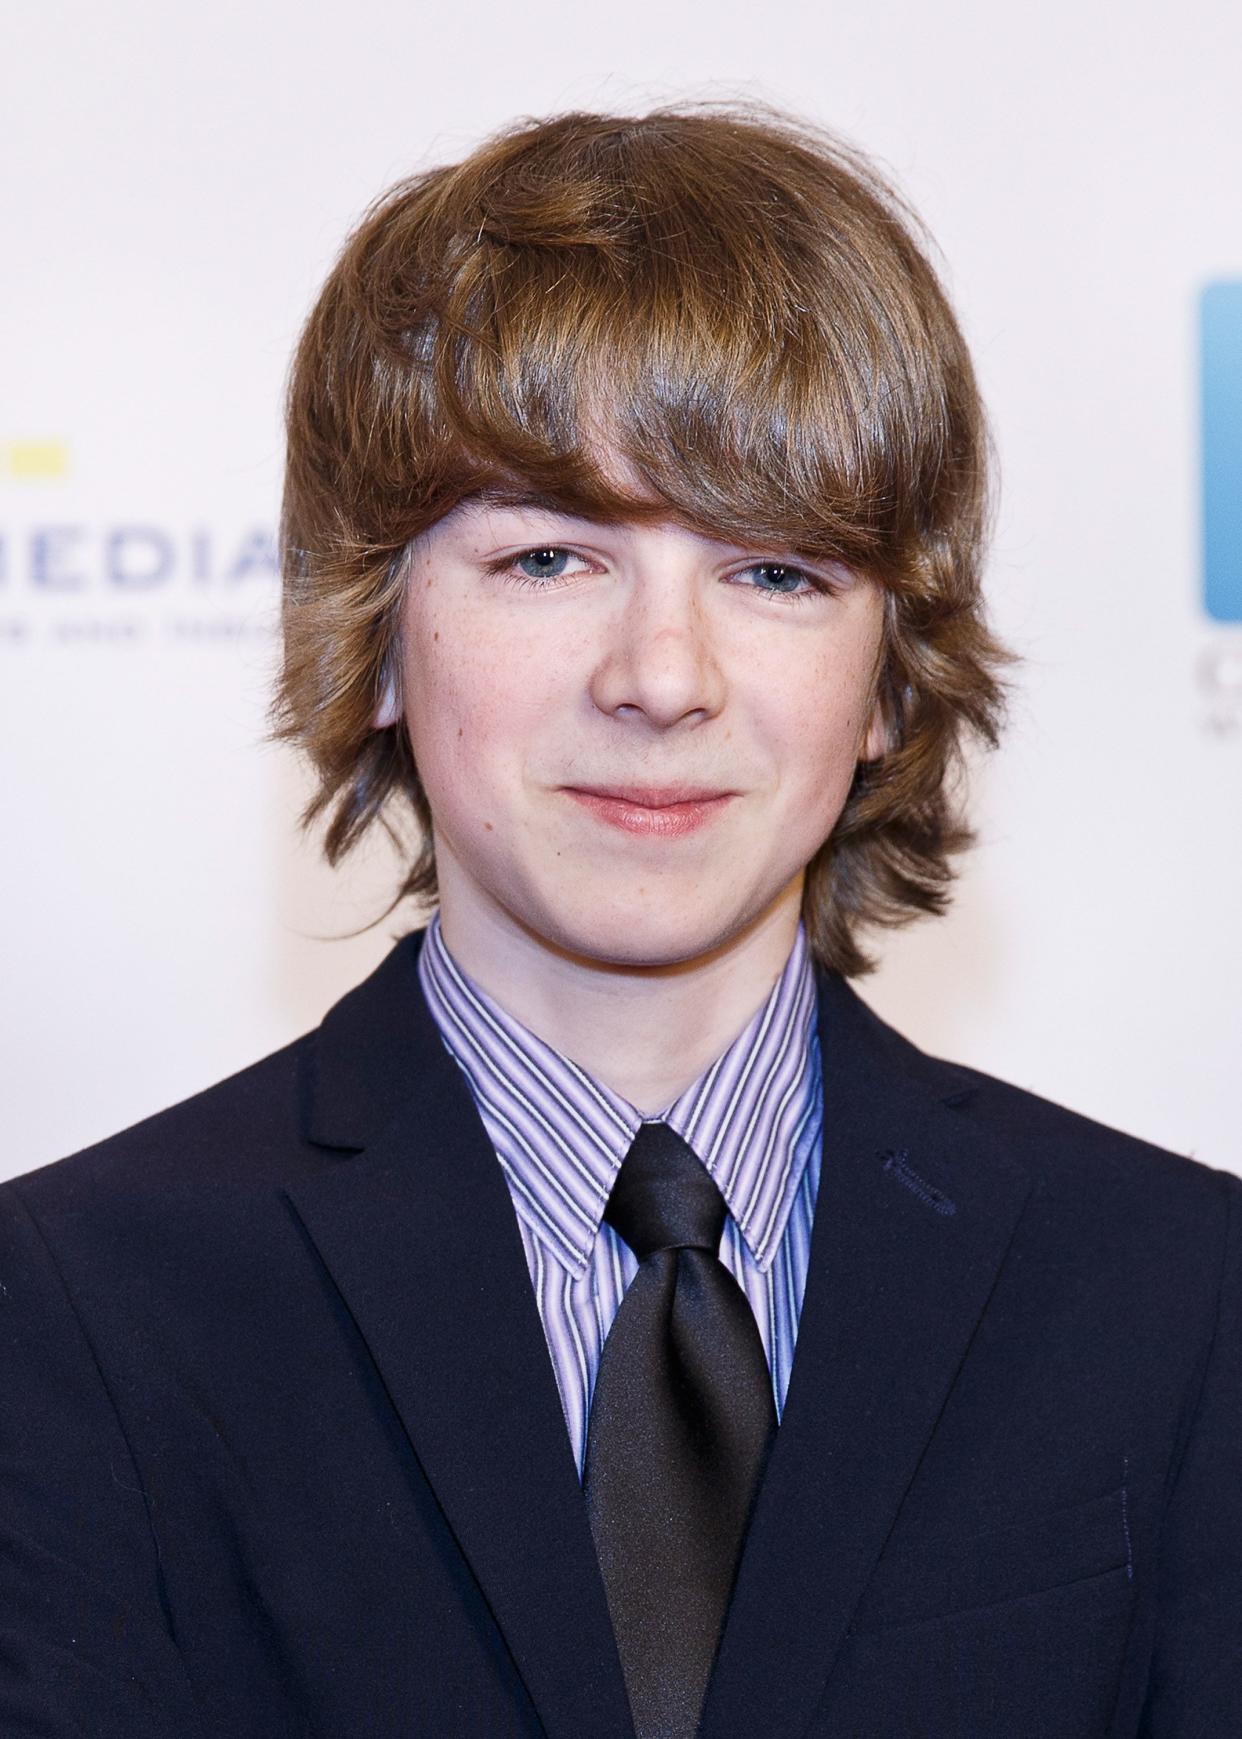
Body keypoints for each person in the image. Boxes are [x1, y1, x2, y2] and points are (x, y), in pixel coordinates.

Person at [1, 102, 1238, 1739]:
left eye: (776, 572)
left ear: (888, 669)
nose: (661, 677)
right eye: (547, 559)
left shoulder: (1177, 1296)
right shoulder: (72, 1311)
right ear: (373, 632)